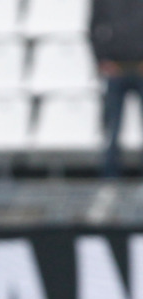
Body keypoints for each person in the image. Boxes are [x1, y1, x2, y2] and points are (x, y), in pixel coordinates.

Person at [90, 0, 143, 178]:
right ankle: (110, 178)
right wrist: (101, 59)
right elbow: (94, 28)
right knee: (112, 128)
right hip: (116, 70)